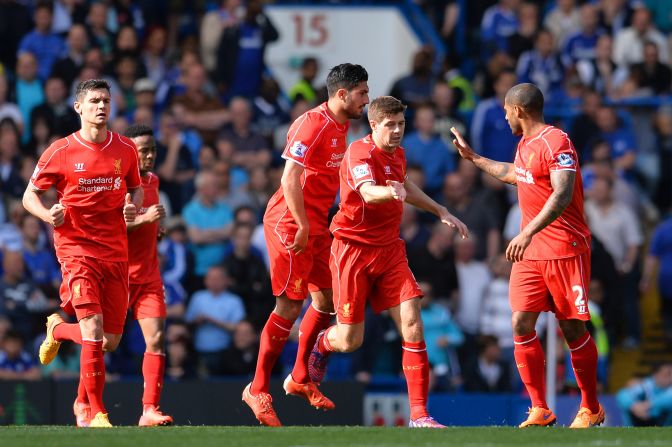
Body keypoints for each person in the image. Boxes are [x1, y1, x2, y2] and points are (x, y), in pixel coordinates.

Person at [451, 83, 604, 428]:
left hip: (565, 248)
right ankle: (540, 408)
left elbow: (562, 193)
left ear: (518, 110)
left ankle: (591, 407)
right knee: (520, 322)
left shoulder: (558, 142)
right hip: (531, 253)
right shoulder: (524, 146)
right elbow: (513, 175)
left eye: (506, 111)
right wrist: (474, 158)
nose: (504, 117)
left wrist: (526, 231)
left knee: (572, 329)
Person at [309, 96, 468, 428]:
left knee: (412, 322)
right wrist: (389, 191)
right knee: (351, 340)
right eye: (391, 125)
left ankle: (420, 416)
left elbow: (405, 184)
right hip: (352, 250)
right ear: (374, 125)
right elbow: (368, 191)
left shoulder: (399, 155)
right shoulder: (358, 153)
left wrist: (440, 210)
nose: (397, 131)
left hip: (389, 250)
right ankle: (323, 342)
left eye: (401, 124)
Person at [242, 63, 369, 426]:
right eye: (362, 92)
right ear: (342, 94)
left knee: (326, 299)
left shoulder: (342, 125)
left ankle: (300, 377)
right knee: (288, 304)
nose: (366, 99)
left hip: (315, 225)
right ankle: (258, 389)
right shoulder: (310, 123)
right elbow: (290, 176)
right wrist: (300, 223)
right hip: (289, 223)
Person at [23, 79, 143, 428]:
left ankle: (58, 329)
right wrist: (48, 215)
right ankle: (96, 413)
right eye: (94, 101)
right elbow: (29, 196)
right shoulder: (60, 150)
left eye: (105, 100)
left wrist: (132, 208)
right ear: (79, 107)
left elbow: (135, 189)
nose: (101, 106)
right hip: (76, 249)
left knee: (108, 340)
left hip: (115, 252)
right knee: (92, 329)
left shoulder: (125, 149)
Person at [123, 123, 173, 426]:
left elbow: (144, 224)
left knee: (156, 338)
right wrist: (145, 220)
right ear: (130, 153)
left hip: (149, 275)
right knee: (101, 344)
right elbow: (111, 228)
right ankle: (84, 402)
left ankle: (149, 410)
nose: (150, 156)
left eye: (152, 150)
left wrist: (156, 230)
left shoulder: (152, 181)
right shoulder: (115, 184)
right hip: (118, 275)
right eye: (144, 151)